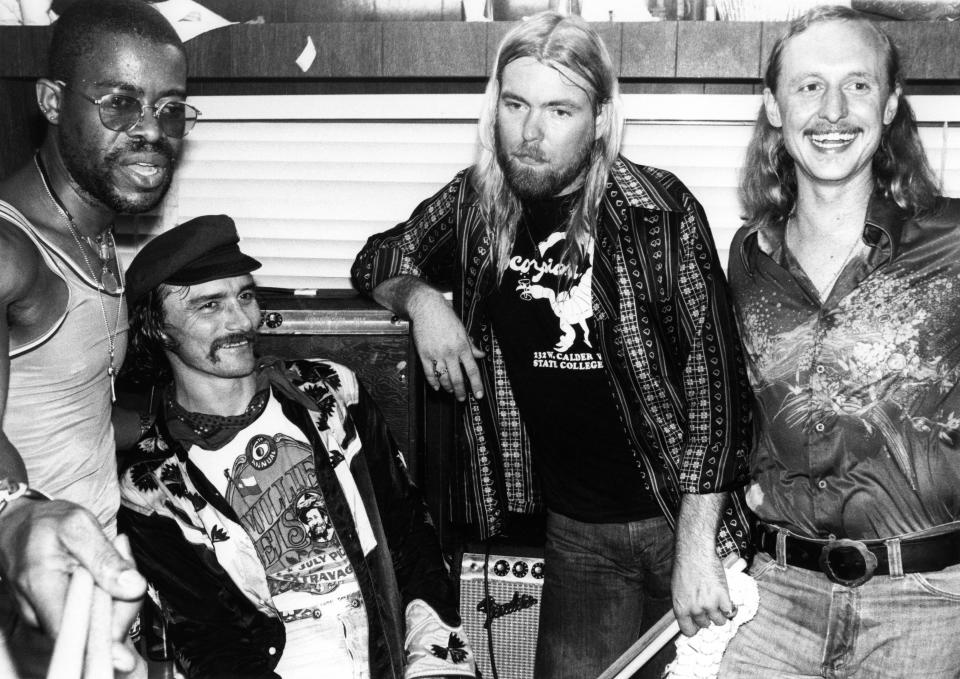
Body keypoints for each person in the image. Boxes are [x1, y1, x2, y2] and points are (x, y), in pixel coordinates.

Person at [351, 11, 753, 678]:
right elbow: (377, 260)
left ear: (599, 118)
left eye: (559, 109)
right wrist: (421, 300)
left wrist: (696, 545)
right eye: (516, 104)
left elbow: (718, 386)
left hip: (677, 519)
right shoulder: (478, 206)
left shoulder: (658, 211)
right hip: (575, 533)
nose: (531, 132)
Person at [117, 214, 476, 679]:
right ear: (157, 328)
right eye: (209, 306)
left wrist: (437, 665)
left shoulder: (331, 393)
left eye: (245, 295)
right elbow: (209, 639)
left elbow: (411, 539)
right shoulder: (153, 483)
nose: (240, 320)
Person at [721, 6, 960, 677]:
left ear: (889, 107)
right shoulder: (748, 256)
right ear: (774, 106)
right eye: (808, 86)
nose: (832, 111)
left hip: (927, 608)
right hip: (773, 603)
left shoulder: (953, 243)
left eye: (857, 85)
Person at [0, 0, 198, 674]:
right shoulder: (10, 248)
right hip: (25, 591)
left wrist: (184, 419)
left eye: (171, 108)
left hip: (96, 572)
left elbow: (71, 410)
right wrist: (15, 515)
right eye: (120, 103)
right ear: (54, 101)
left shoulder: (94, 231)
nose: (153, 131)